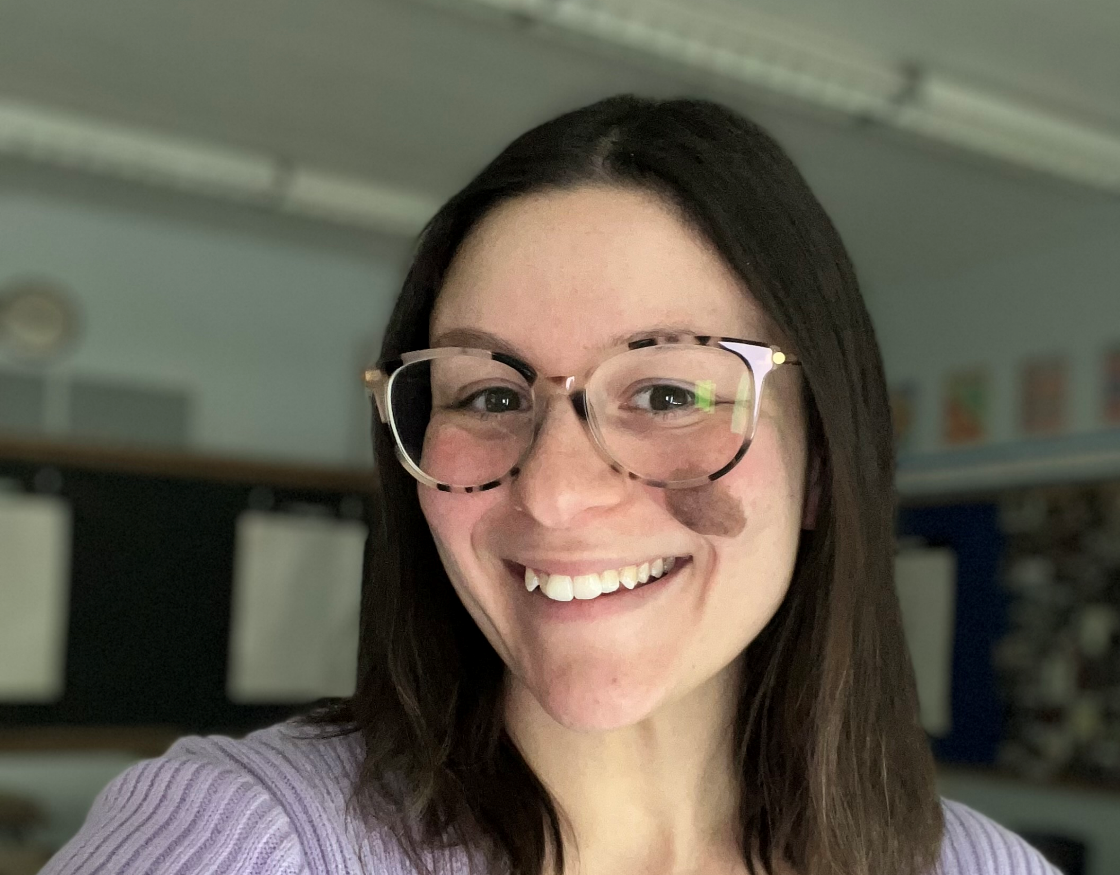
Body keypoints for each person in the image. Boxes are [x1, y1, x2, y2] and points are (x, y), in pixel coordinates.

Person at [41, 96, 1059, 875]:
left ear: (827, 457)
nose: (554, 493)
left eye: (664, 390)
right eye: (487, 395)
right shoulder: (243, 842)